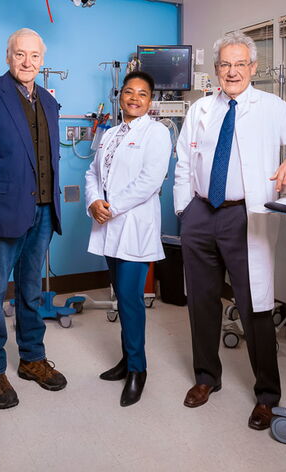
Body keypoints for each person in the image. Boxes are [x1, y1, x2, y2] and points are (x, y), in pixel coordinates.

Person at [173, 31, 286, 430]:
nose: (232, 71)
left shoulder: (271, 107)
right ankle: (207, 377)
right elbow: (183, 162)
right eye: (225, 64)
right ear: (216, 69)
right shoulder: (201, 109)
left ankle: (266, 395)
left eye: (240, 64)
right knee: (201, 302)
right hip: (200, 214)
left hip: (245, 215)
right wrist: (185, 210)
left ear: (253, 68)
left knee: (255, 306)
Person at [0, 28, 66, 409]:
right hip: (2, 212)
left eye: (34, 56)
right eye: (20, 54)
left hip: (43, 212)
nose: (27, 62)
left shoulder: (49, 102)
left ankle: (32, 358)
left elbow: (49, 158)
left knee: (31, 290)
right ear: (8, 56)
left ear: (42, 61)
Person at [84, 71, 172, 407]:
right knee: (121, 297)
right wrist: (94, 201)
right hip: (109, 226)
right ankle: (126, 360)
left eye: (143, 94)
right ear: (120, 96)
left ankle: (138, 369)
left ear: (151, 101)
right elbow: (93, 172)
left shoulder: (157, 132)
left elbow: (150, 181)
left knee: (131, 300)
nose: (135, 98)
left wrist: (112, 207)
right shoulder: (110, 133)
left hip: (134, 227)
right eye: (129, 92)